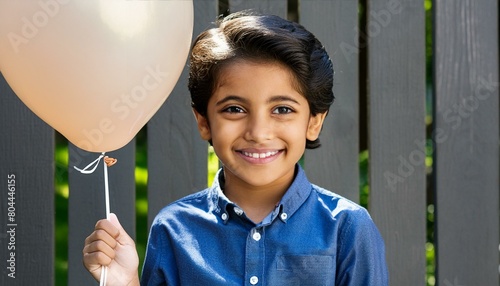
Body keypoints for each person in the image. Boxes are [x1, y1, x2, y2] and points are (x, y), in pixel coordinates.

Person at [83, 11, 388, 286]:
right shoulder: (174, 228)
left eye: (282, 109)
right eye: (234, 109)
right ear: (204, 122)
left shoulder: (348, 228)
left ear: (314, 123)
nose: (258, 132)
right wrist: (123, 283)